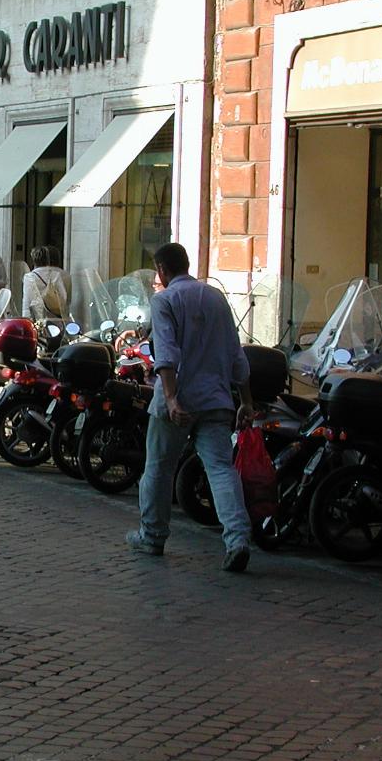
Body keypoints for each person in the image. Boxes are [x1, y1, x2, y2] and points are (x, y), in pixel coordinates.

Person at [126, 242, 255, 573]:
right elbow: (236, 353)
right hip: (216, 399)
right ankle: (238, 539)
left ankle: (152, 536)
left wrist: (170, 398)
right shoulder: (216, 298)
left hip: (179, 400)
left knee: (158, 467)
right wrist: (246, 400)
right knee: (221, 470)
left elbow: (166, 353)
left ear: (162, 270)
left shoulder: (164, 300)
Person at [22, 245, 69, 321]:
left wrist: (26, 320)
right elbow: (66, 298)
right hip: (57, 318)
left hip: (37, 318)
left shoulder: (29, 277)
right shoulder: (60, 275)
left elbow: (26, 302)